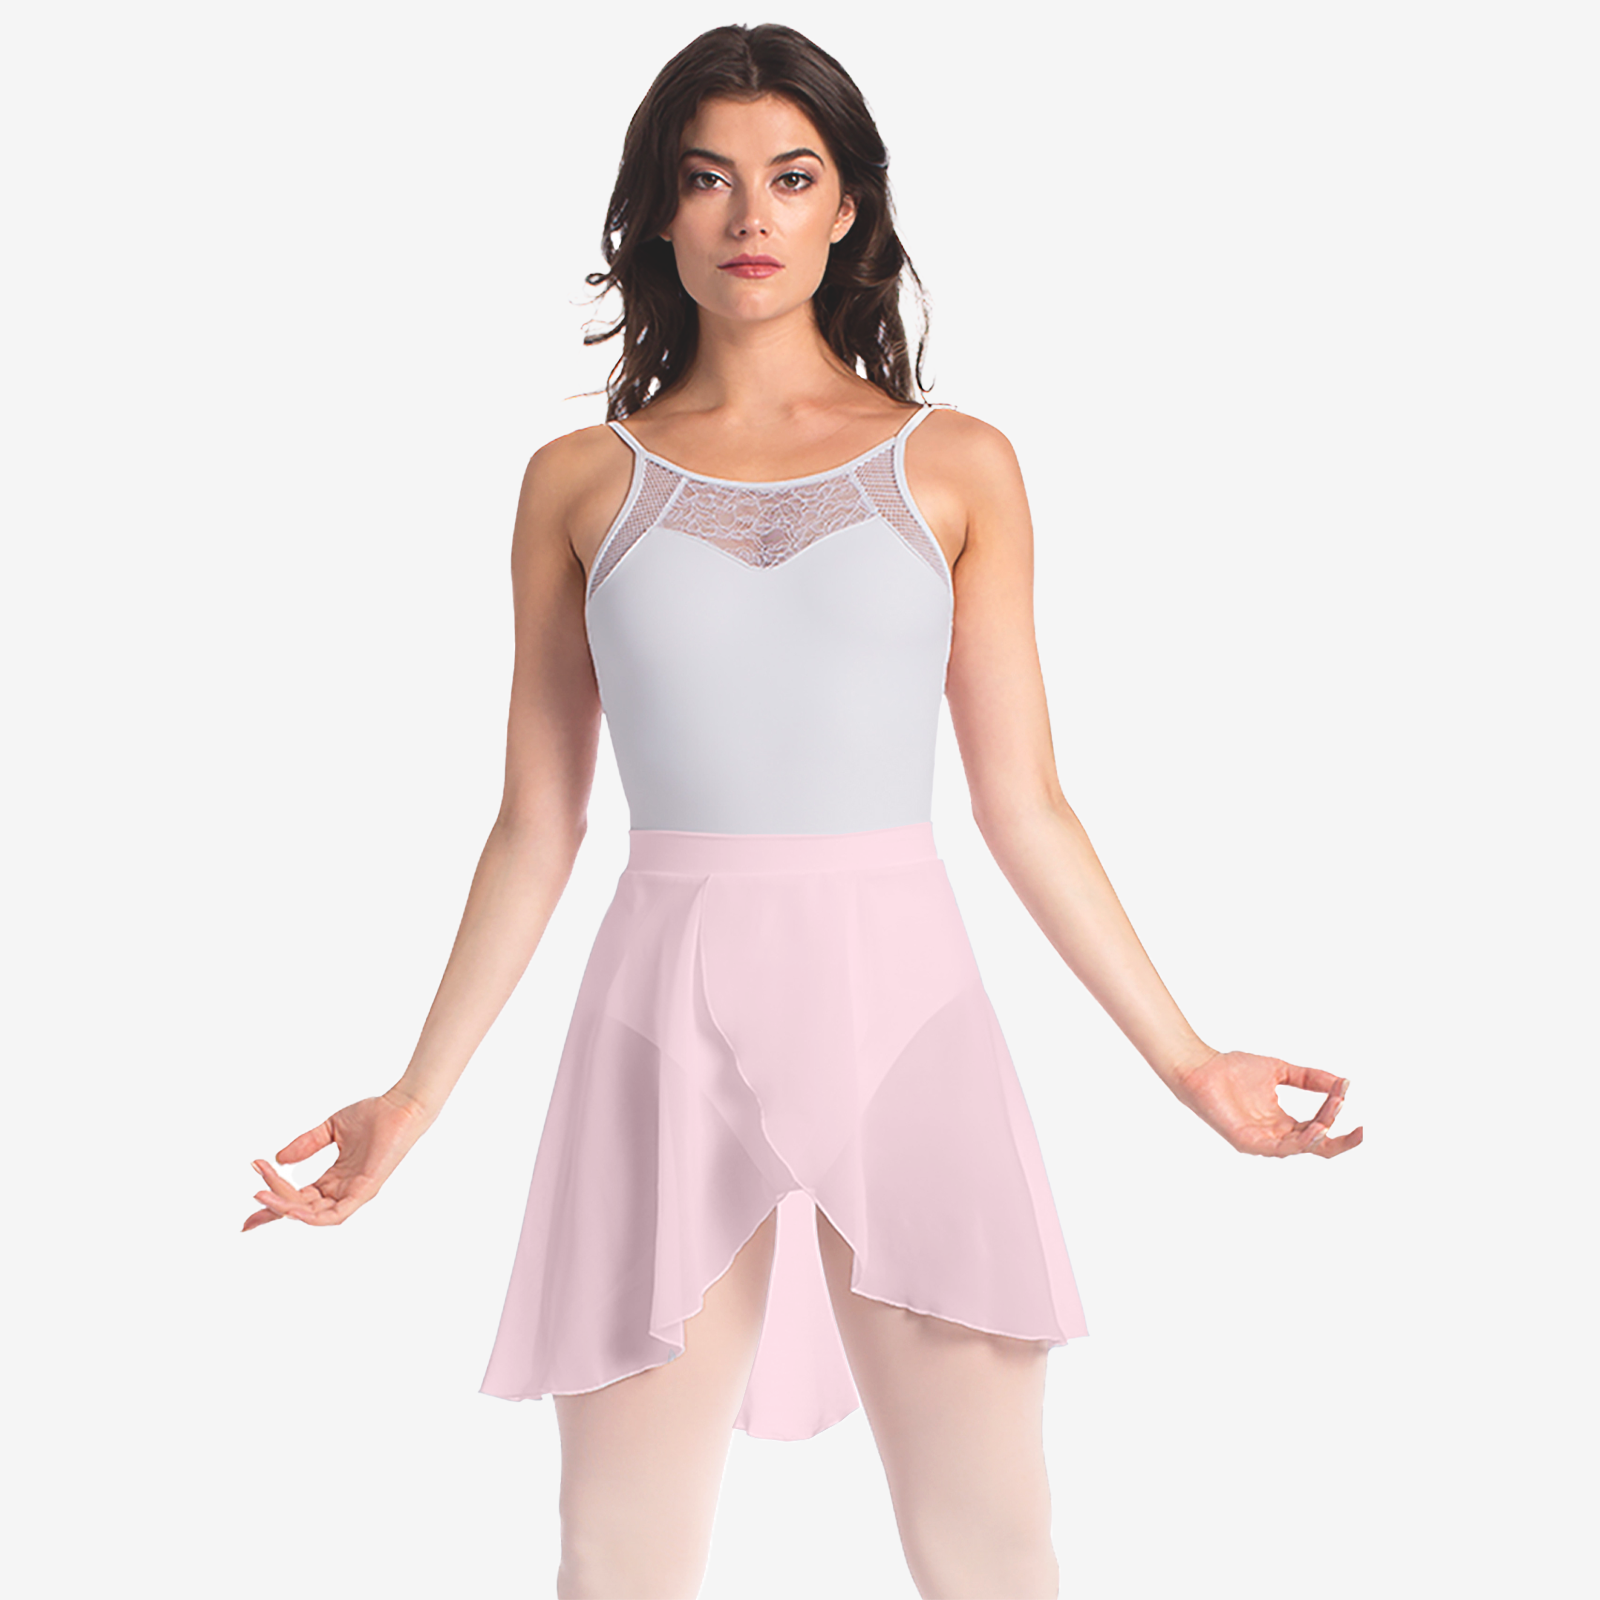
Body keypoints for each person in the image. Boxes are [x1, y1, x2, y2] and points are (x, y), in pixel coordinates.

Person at [241, 22, 1363, 1600]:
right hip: (656, 1029)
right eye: (707, 179)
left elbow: (1027, 805)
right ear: (658, 211)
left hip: (905, 1019)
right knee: (617, 1557)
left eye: (789, 176)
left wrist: (1188, 1063)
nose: (749, 215)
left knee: (992, 1548)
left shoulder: (957, 465)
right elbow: (536, 824)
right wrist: (413, 1104)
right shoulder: (578, 482)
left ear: (847, 207)